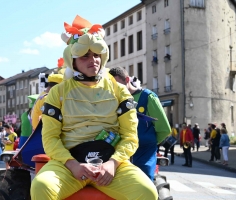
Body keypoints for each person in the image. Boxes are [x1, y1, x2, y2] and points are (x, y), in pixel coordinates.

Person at [30, 15, 158, 200]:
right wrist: (73, 165)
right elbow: (50, 138)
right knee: (41, 187)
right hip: (68, 166)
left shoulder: (119, 90)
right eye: (85, 56)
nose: (94, 60)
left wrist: (112, 164)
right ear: (72, 60)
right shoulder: (57, 92)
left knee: (148, 193)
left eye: (97, 55)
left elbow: (130, 136)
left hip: (111, 165)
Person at [109, 66, 171, 180]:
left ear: (127, 80)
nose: (115, 89)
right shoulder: (113, 100)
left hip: (144, 153)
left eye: (118, 85)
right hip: (120, 153)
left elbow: (164, 129)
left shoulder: (148, 97)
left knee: (144, 183)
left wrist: (148, 141)